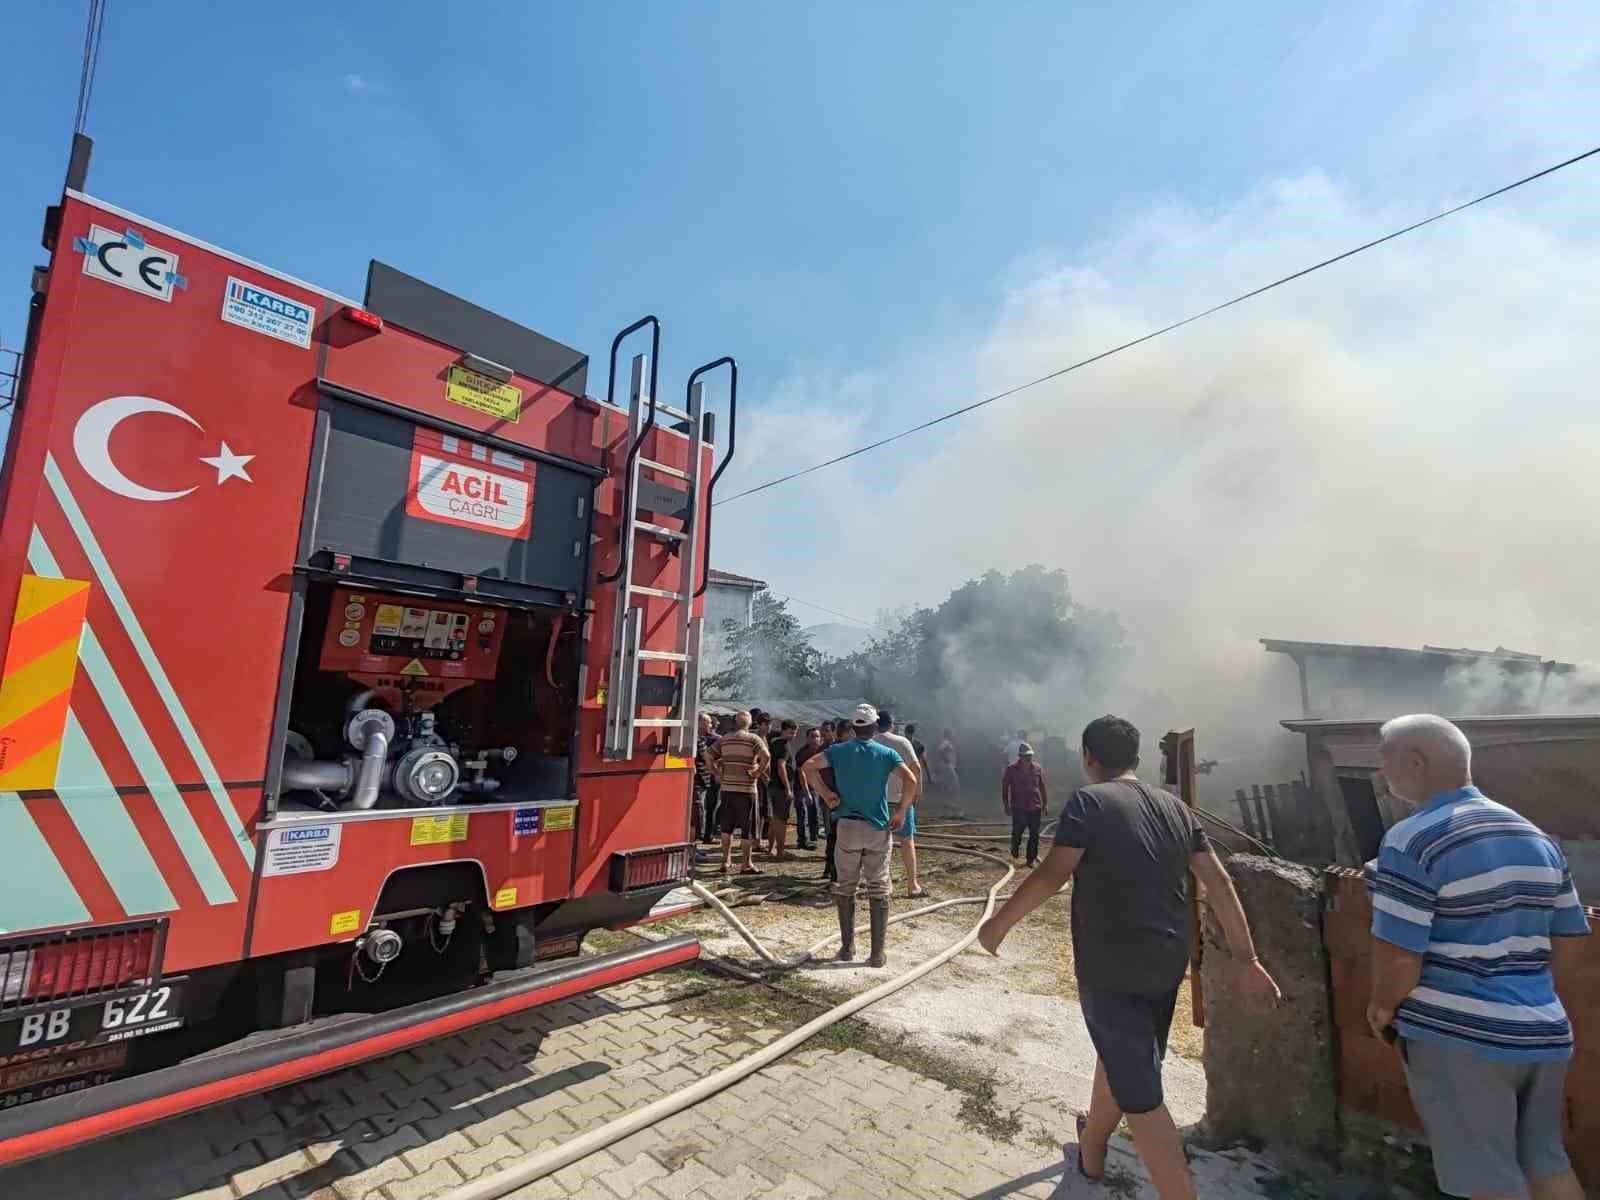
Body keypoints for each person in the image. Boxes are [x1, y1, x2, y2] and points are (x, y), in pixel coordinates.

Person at [979, 715, 1281, 1200]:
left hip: (1112, 964)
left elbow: (1053, 874)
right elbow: (1218, 881)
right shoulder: (1175, 808)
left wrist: (998, 925)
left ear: (1088, 757)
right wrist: (1246, 958)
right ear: (1136, 758)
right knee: (1126, 1059)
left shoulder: (1088, 801)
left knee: (1141, 1094)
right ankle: (1092, 1150)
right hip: (1166, 959)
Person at [1366, 715, 1590, 1200]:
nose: (1381, 773)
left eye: (1384, 761)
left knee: (1487, 1182)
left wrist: (1381, 1009)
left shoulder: (1411, 839)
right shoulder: (1536, 837)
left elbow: (1400, 958)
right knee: (1545, 1161)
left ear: (1414, 762)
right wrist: (1527, 996)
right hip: (1543, 1032)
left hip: (1460, 1040)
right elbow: (1571, 940)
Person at [803, 704, 915, 967]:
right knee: (879, 886)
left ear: (853, 728)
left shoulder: (838, 751)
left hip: (847, 826)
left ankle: (847, 948)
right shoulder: (886, 753)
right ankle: (877, 954)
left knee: (846, 885)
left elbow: (808, 767)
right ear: (875, 727)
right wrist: (900, 811)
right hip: (877, 827)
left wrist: (826, 794)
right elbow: (910, 779)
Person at [706, 711, 769, 876]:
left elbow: (707, 755)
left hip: (727, 790)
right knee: (747, 829)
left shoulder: (724, 739)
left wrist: (716, 774)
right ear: (749, 723)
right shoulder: (754, 739)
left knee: (726, 828)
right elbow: (766, 756)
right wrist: (757, 772)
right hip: (747, 790)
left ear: (735, 722)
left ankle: (725, 861)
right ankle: (746, 864)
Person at [875, 711, 927, 899]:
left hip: (877, 801)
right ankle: (912, 886)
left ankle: (885, 884)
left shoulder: (870, 742)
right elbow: (916, 768)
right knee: (907, 841)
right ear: (893, 724)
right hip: (900, 799)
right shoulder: (901, 742)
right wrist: (916, 792)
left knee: (880, 843)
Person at [1002, 741, 1048, 867]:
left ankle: (1031, 859)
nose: (1029, 758)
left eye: (1030, 755)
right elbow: (1005, 787)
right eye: (1026, 756)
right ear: (1020, 756)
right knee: (1018, 830)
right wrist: (1006, 805)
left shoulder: (1037, 768)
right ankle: (1014, 846)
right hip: (1019, 806)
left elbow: (1042, 786)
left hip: (1035, 806)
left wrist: (1045, 804)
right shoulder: (1011, 769)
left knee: (1034, 834)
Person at [766, 719, 798, 860]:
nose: (793, 735)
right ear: (784, 730)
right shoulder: (784, 746)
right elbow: (781, 766)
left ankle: (771, 848)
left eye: (795, 732)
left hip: (773, 785)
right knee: (781, 821)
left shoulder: (774, 743)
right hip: (780, 788)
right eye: (791, 732)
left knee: (774, 820)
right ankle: (780, 852)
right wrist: (787, 788)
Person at [792, 726, 825, 851]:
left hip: (814, 787)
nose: (815, 739)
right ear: (807, 738)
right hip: (801, 787)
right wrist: (806, 792)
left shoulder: (821, 751)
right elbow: (801, 774)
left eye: (817, 736)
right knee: (802, 813)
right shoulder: (802, 753)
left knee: (814, 812)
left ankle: (813, 837)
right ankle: (802, 840)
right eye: (812, 736)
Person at [694, 712, 720, 844]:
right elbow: (707, 759)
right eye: (708, 722)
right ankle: (697, 842)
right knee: (699, 812)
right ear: (700, 723)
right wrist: (717, 774)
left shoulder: (698, 738)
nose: (711, 725)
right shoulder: (697, 740)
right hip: (699, 781)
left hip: (701, 780)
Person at [938, 728, 959, 797]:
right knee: (954, 780)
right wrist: (945, 759)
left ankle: (946, 796)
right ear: (948, 735)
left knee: (948, 781)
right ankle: (951, 795)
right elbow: (940, 750)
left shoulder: (948, 742)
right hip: (947, 764)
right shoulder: (946, 742)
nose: (952, 735)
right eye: (951, 734)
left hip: (950, 764)